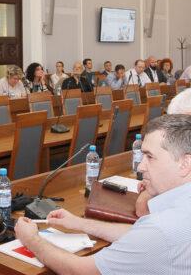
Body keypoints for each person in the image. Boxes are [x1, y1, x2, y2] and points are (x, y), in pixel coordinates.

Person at [15, 114, 191, 275]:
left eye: (150, 157)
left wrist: (31, 239)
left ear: (185, 163)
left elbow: (79, 271)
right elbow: (139, 234)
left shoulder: (160, 229)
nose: (140, 166)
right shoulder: (174, 214)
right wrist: (79, 223)